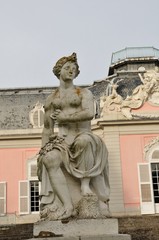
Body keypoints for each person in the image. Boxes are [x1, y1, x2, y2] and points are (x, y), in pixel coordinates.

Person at [37, 53, 110, 220]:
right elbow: (47, 129)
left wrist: (64, 118)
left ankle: (85, 186)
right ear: (58, 71)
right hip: (62, 139)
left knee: (84, 142)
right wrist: (43, 150)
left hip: (83, 134)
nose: (71, 70)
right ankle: (68, 205)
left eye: (74, 69)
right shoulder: (51, 99)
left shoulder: (83, 93)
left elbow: (89, 113)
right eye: (67, 68)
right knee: (49, 158)